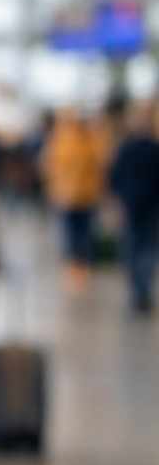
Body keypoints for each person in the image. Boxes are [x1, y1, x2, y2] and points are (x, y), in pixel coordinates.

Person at [42, 109, 109, 292]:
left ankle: (78, 267)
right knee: (78, 233)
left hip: (76, 196)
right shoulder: (84, 140)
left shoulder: (64, 141)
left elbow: (50, 167)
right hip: (75, 196)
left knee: (77, 232)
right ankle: (78, 267)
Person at [108, 99, 159, 316]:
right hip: (148, 206)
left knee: (135, 248)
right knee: (146, 249)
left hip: (134, 206)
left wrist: (117, 200)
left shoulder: (125, 148)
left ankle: (138, 292)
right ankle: (142, 291)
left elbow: (113, 178)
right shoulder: (152, 148)